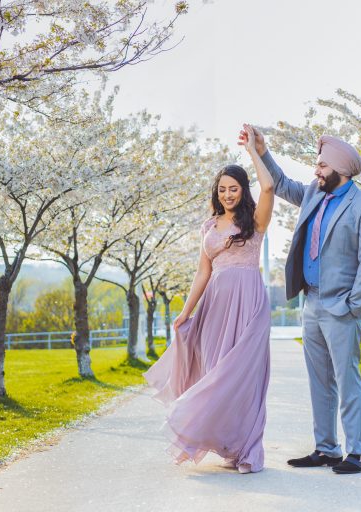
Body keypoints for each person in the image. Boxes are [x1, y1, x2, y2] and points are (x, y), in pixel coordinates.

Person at [241, 126, 361, 474]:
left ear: (342, 171)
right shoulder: (314, 194)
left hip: (341, 309)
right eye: (317, 165)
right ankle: (327, 448)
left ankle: (359, 452)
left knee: (347, 380)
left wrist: (354, 306)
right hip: (312, 303)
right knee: (319, 381)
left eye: (322, 166)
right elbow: (282, 183)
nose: (316, 171)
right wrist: (261, 152)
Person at [143, 124, 274, 474]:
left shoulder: (256, 221)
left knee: (241, 376)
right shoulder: (208, 227)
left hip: (249, 303)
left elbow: (270, 185)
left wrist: (254, 153)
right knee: (215, 372)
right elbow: (203, 272)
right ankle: (225, 442)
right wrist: (186, 312)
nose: (229, 194)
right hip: (215, 305)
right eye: (223, 189)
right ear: (216, 193)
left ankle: (247, 450)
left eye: (234, 188)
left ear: (243, 190)